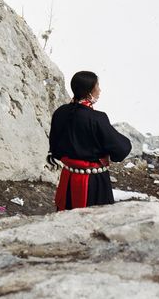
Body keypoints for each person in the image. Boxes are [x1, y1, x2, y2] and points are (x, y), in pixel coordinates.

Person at [48, 70, 131, 210]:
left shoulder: (60, 112)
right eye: (97, 86)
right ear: (89, 91)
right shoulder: (97, 118)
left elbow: (55, 149)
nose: (99, 90)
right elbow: (120, 150)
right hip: (93, 183)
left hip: (68, 178)